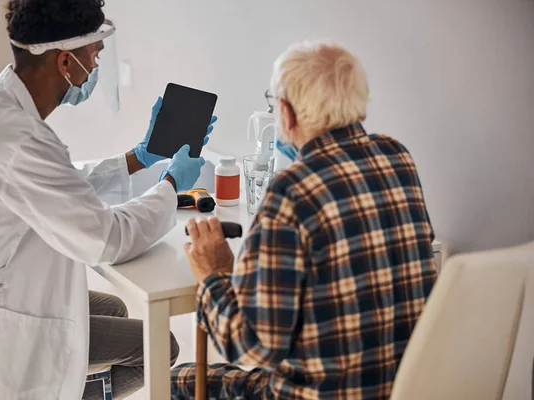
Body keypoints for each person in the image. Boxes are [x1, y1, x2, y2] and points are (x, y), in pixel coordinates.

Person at [0, 0, 215, 399]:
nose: (96, 67)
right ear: (66, 62)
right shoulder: (17, 137)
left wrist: (140, 157)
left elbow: (59, 187)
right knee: (160, 345)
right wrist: (171, 183)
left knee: (114, 309)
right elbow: (107, 239)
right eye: (95, 56)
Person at [172, 41, 438, 399]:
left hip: (314, 393)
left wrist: (214, 274)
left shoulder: (291, 190)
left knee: (175, 381)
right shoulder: (397, 156)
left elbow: (253, 349)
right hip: (406, 387)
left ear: (285, 112)